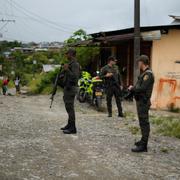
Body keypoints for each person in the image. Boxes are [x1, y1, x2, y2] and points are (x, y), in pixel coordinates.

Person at [128, 55, 154, 152]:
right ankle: (143, 141)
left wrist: (132, 88)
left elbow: (142, 88)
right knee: (142, 122)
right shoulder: (144, 73)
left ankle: (144, 145)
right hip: (141, 101)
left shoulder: (148, 74)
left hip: (143, 102)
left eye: (139, 62)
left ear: (142, 62)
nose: (138, 64)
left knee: (144, 123)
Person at [61, 48, 80, 134]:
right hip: (68, 88)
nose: (66, 55)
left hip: (71, 88)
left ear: (71, 54)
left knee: (70, 108)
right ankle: (69, 125)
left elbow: (75, 77)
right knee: (68, 107)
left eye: (67, 54)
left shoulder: (75, 64)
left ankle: (73, 128)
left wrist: (67, 70)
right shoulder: (70, 63)